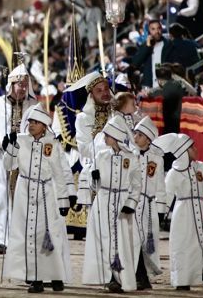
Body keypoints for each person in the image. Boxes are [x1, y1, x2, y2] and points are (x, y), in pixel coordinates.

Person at [3, 104, 75, 294]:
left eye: (35, 122)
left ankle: (56, 275)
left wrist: (63, 200)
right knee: (28, 236)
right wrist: (10, 146)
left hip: (46, 193)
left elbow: (59, 173)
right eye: (30, 122)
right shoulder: (21, 141)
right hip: (24, 192)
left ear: (44, 125)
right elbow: (9, 165)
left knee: (50, 236)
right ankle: (35, 278)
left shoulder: (53, 144)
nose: (31, 125)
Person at [79, 115, 140, 294]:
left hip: (122, 204)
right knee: (102, 239)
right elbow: (93, 184)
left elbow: (136, 183)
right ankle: (106, 277)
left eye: (107, 135)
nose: (104, 138)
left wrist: (131, 202)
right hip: (103, 202)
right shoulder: (101, 155)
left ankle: (120, 277)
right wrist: (94, 178)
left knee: (121, 241)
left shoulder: (131, 158)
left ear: (116, 137)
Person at [0, 64, 37, 252]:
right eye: (18, 84)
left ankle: (20, 239)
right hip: (0, 155)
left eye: (25, 84)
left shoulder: (33, 105)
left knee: (23, 199)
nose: (22, 88)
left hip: (24, 159)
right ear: (11, 85)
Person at [161, 134, 203, 290]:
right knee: (184, 244)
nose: (196, 149)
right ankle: (182, 279)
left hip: (202, 211)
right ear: (183, 150)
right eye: (192, 147)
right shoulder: (174, 172)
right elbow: (167, 194)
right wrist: (161, 212)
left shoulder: (201, 167)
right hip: (183, 213)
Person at [132, 117, 164, 290]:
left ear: (148, 138)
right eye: (135, 133)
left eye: (139, 134)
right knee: (134, 240)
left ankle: (144, 276)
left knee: (147, 242)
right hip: (133, 204)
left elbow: (160, 184)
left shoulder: (157, 158)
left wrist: (161, 208)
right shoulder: (130, 155)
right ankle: (139, 276)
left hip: (149, 205)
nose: (135, 137)